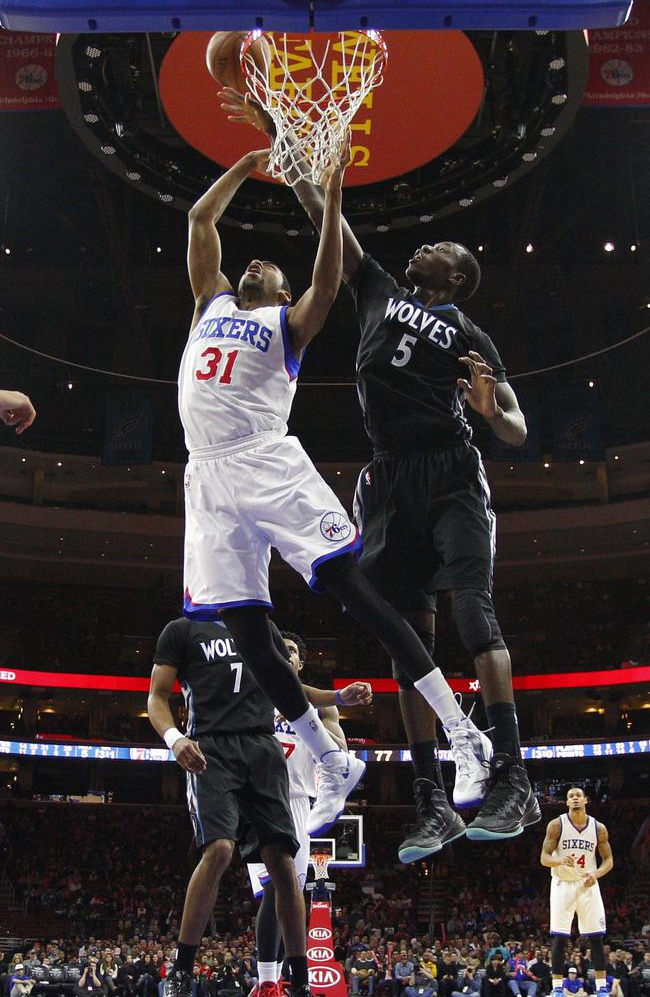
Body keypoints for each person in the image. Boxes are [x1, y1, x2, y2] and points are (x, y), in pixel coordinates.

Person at [218, 87, 539, 857]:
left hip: (451, 472)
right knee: (406, 641)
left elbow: (520, 429)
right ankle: (432, 797)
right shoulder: (379, 292)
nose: (425, 247)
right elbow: (314, 204)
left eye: (443, 251)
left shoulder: (467, 332)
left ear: (456, 278)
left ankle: (515, 778)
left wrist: (492, 411)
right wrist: (273, 128)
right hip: (388, 479)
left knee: (473, 616)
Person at [179, 130, 478, 856]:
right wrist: (245, 164)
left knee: (358, 592)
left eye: (271, 267)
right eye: (253, 263)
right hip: (206, 475)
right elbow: (199, 222)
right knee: (246, 629)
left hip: (267, 465)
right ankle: (333, 758)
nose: (255, 263)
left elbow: (333, 272)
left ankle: (463, 732)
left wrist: (334, 186)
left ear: (284, 293)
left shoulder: (290, 322)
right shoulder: (207, 303)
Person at [148, 616, 308, 997]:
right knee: (219, 849)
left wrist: (336, 701)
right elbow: (156, 696)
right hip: (211, 746)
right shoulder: (181, 629)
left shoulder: (263, 626)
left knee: (283, 864)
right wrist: (174, 738)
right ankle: (182, 971)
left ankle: (299, 981)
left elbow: (291, 689)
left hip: (262, 747)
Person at [247, 629, 372, 997]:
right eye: (277, 650)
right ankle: (271, 980)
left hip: (298, 800)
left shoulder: (321, 705)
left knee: (285, 890)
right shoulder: (254, 695)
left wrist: (306, 720)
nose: (284, 656)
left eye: (290, 652)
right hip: (258, 796)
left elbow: (337, 753)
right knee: (274, 891)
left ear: (301, 662)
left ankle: (275, 980)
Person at [540, 787, 613, 997]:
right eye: (570, 796)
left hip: (587, 883)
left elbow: (608, 860)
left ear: (585, 800)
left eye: (578, 796)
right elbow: (544, 858)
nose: (574, 799)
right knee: (560, 938)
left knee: (596, 937)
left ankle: (601, 988)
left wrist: (596, 874)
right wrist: (559, 859)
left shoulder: (598, 828)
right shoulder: (556, 825)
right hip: (562, 883)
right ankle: (557, 988)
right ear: (566, 802)